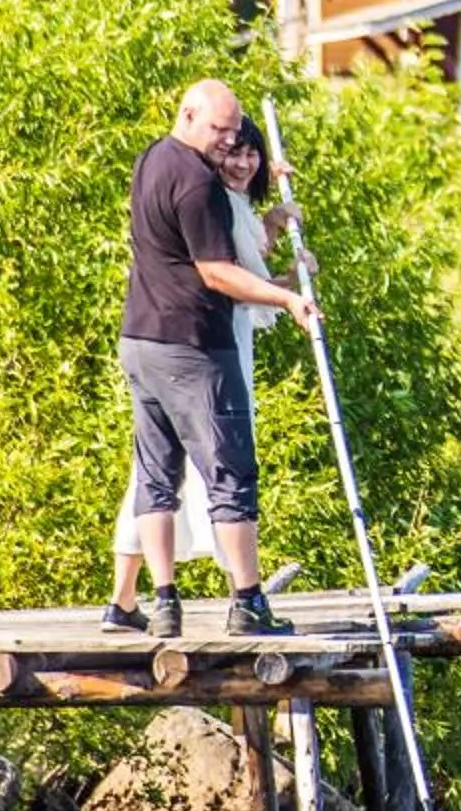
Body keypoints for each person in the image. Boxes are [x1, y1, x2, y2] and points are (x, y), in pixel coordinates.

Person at [115, 80, 319, 640]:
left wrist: (266, 198)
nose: (227, 142)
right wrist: (286, 297)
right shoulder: (197, 181)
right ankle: (248, 604)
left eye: (234, 133)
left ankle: (162, 604)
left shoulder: (150, 160)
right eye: (220, 131)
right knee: (230, 473)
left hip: (140, 338)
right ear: (187, 115)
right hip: (193, 345)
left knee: (157, 476)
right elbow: (216, 271)